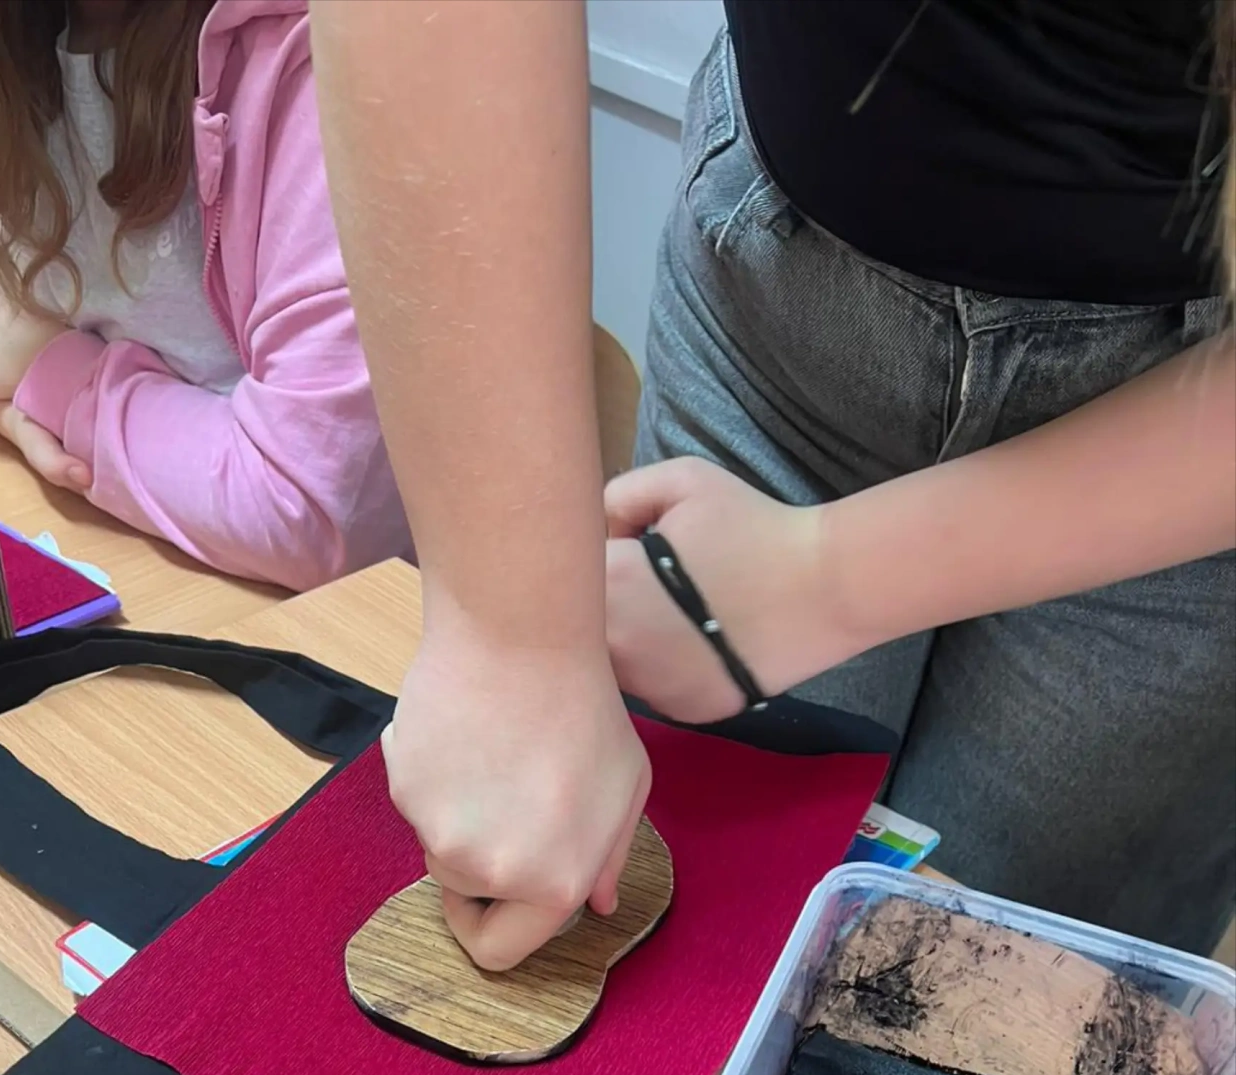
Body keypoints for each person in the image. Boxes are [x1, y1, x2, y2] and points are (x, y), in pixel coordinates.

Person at [310, 0, 1235, 967]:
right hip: (775, 299)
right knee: (679, 941)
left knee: (1002, 988)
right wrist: (509, 640)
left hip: (1185, 463)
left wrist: (826, 576)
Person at [0, 0, 408, 591]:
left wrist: (46, 375)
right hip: (115, 543)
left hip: (308, 604)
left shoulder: (318, 50)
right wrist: (9, 404)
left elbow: (315, 511)